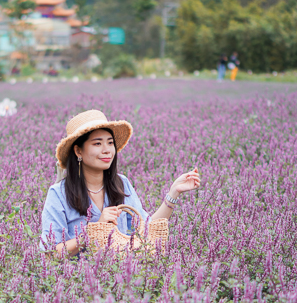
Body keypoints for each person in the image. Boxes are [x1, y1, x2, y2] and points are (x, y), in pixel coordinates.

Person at [40, 110, 201, 257]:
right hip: (77, 282)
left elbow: (146, 229)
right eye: (97, 143)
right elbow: (50, 253)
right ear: (78, 151)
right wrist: (94, 231)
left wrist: (173, 193)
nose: (107, 150)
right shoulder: (59, 194)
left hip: (122, 279)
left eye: (110, 143)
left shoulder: (121, 183)